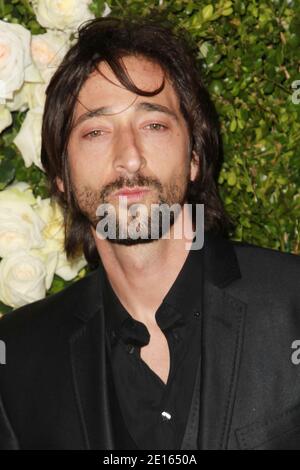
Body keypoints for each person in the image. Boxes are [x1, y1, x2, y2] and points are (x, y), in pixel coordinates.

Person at [0, 16, 300, 451]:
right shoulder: (18, 358)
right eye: (96, 131)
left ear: (194, 156)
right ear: (61, 176)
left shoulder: (292, 306)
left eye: (154, 125)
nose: (130, 158)